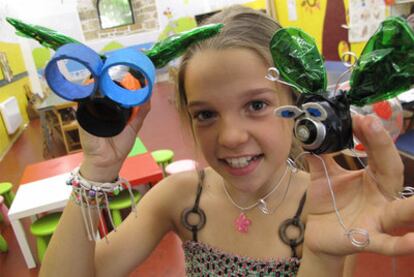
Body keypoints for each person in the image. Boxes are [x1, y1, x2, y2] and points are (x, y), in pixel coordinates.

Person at [40, 6, 413, 276]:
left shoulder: (328, 207)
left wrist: (322, 255)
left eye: (256, 105)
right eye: (205, 114)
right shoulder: (182, 196)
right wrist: (98, 168)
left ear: (296, 106)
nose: (231, 137)